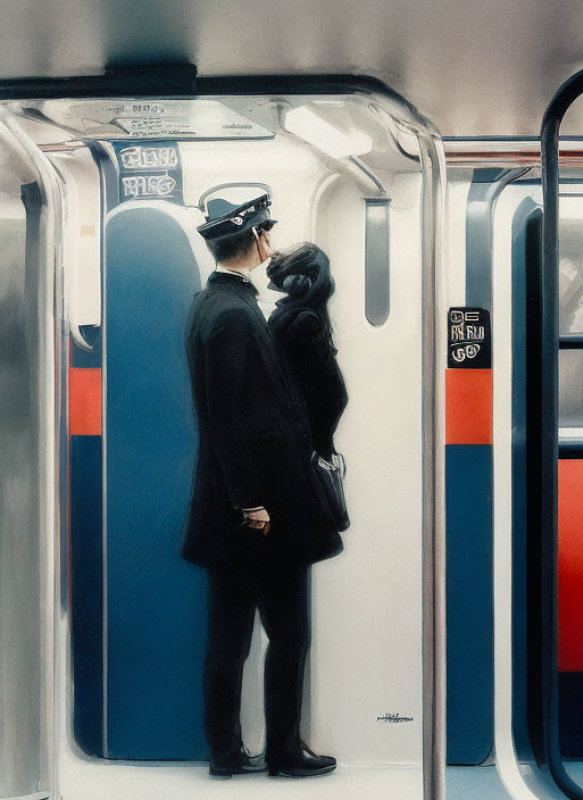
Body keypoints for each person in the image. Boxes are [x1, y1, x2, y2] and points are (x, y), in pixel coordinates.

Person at [182, 193, 341, 779]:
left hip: (235, 509)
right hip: (258, 513)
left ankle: (226, 753)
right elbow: (231, 421)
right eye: (267, 231)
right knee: (289, 633)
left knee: (229, 636)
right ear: (257, 239)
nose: (271, 241)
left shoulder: (212, 304)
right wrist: (251, 502)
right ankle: (283, 751)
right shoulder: (233, 316)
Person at [265, 243, 348, 461]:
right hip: (311, 449)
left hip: (294, 442)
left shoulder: (279, 318)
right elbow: (334, 395)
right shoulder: (306, 322)